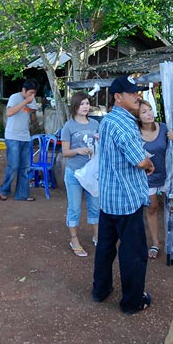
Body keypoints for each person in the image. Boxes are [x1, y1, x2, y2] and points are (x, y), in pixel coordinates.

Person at [91, 76, 155, 315]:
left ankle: (100, 290)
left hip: (109, 196)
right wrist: (148, 162)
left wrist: (144, 161)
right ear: (118, 96)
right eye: (132, 93)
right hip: (126, 199)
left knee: (105, 248)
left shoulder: (108, 121)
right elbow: (139, 160)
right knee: (134, 254)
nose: (137, 96)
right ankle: (132, 302)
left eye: (137, 92)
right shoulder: (124, 123)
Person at [137, 100, 173, 259]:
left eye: (150, 110)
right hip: (147, 178)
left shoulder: (164, 128)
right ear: (137, 116)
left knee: (171, 205)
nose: (148, 114)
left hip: (167, 175)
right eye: (144, 112)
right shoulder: (135, 133)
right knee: (152, 208)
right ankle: (155, 243)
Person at [60, 92, 100, 257]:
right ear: (75, 106)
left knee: (96, 206)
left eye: (87, 103)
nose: (85, 106)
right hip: (74, 173)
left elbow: (101, 145)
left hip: (92, 173)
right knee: (74, 207)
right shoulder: (68, 126)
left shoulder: (96, 124)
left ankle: (98, 236)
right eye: (82, 103)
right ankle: (74, 239)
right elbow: (65, 152)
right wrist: (77, 150)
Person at [0, 79, 38, 202]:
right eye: (30, 93)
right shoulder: (14, 97)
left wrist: (33, 111)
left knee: (25, 167)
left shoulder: (32, 100)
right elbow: (9, 113)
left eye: (34, 94)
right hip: (12, 136)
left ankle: (22, 194)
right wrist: (25, 102)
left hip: (25, 137)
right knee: (13, 165)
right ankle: (4, 190)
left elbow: (34, 121)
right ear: (23, 90)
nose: (33, 96)